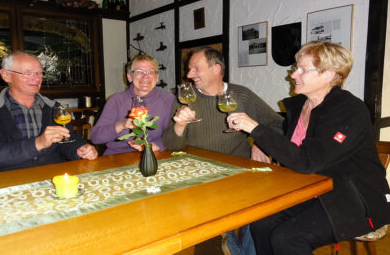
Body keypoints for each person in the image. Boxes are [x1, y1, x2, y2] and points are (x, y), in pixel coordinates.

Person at [226, 41, 390, 254]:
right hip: (312, 188)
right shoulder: (300, 106)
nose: (294, 75)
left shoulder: (348, 110)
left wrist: (255, 129)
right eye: (296, 68)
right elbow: (287, 146)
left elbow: (307, 161)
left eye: (303, 70)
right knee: (261, 223)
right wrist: (261, 144)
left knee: (287, 238)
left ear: (329, 74)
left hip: (354, 198)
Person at [162, 46, 284, 255]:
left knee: (257, 214)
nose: (189, 75)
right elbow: (172, 145)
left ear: (216, 68)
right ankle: (222, 238)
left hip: (238, 171)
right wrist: (180, 124)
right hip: (198, 173)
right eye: (189, 69)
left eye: (195, 69)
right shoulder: (186, 96)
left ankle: (231, 242)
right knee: (202, 225)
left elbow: (278, 125)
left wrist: (259, 143)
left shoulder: (241, 95)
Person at [0, 51, 98, 174]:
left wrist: (80, 148)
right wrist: (38, 143)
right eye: (28, 73)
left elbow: (66, 140)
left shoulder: (53, 107)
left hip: (50, 177)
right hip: (5, 181)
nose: (36, 78)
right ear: (6, 75)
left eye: (39, 73)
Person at [91, 54, 174, 155]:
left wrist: (157, 145)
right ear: (129, 77)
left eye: (150, 72)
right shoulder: (116, 100)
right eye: (139, 72)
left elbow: (176, 134)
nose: (145, 76)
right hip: (119, 157)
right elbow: (96, 137)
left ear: (157, 77)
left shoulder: (168, 99)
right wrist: (121, 125)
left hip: (155, 154)